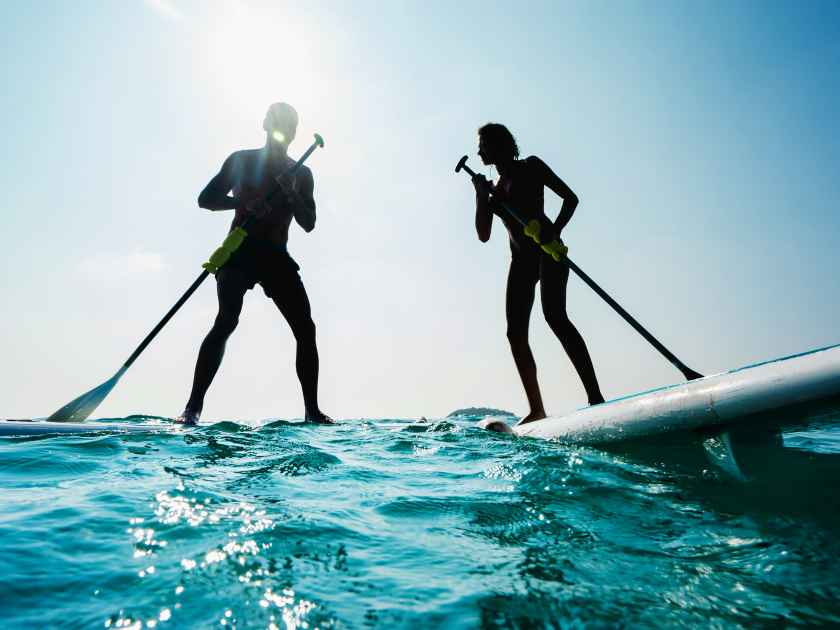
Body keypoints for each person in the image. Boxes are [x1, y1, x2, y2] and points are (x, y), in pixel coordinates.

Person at [176, 103, 332, 425]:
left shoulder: (302, 173)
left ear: (294, 132)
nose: (283, 131)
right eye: (278, 124)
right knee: (226, 321)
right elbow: (206, 199)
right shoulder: (241, 161)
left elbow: (310, 223)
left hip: (276, 257)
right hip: (239, 252)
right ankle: (192, 408)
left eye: (290, 126)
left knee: (306, 329)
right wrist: (241, 202)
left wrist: (292, 196)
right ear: (265, 124)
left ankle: (312, 411)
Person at [472, 123, 604, 425]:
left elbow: (571, 198)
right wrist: (481, 197)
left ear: (499, 145)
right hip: (520, 262)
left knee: (555, 317)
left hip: (548, 252)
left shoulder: (531, 167)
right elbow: (483, 235)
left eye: (483, 144)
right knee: (514, 333)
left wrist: (554, 231)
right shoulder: (494, 190)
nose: (479, 151)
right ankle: (537, 408)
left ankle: (595, 397)